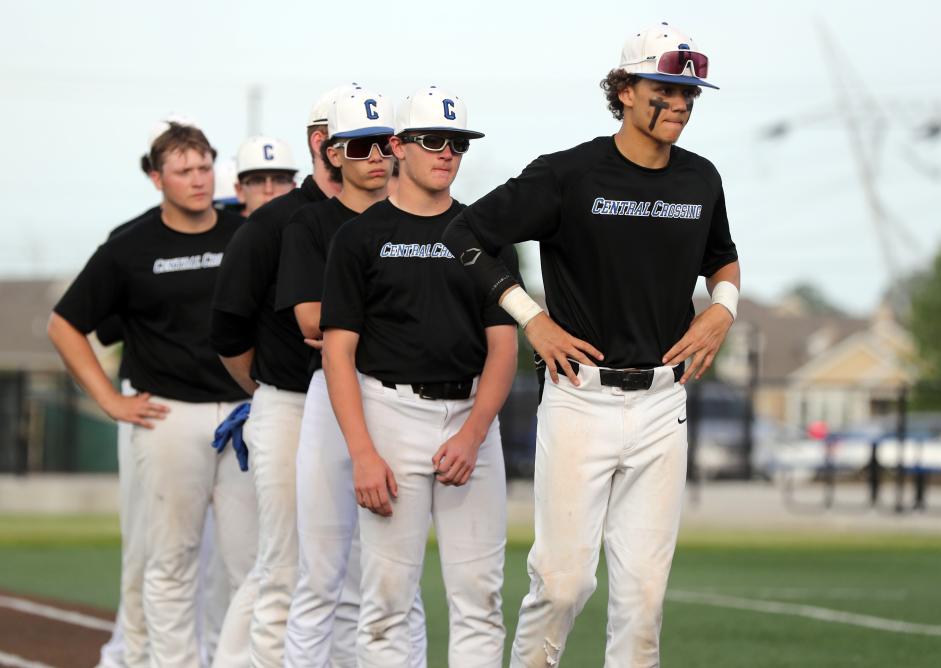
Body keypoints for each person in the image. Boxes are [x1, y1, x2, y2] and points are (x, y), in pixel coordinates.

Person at [442, 23, 741, 667]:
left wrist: (723, 309)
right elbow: (463, 234)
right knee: (563, 583)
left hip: (665, 404)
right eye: (667, 88)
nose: (682, 103)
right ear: (626, 90)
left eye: (691, 92)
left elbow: (723, 259)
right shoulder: (567, 174)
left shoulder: (701, 178)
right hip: (581, 398)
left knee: (644, 599)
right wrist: (530, 317)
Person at [321, 85, 519, 668]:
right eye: (433, 140)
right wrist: (361, 452)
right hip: (389, 414)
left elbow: (504, 345)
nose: (447, 153)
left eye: (457, 143)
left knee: (481, 599)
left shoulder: (483, 233)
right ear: (397, 147)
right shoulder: (358, 237)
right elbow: (338, 353)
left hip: (471, 420)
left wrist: (474, 431)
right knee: (384, 605)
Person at [48, 122, 258, 668]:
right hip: (167, 418)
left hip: (244, 418)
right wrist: (109, 401)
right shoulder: (128, 248)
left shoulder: (246, 234)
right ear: (155, 177)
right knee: (171, 563)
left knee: (253, 564)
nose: (196, 179)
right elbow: (65, 325)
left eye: (204, 166)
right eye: (183, 170)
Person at [276, 87, 428, 667]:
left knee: (397, 577)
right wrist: (391, 321)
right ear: (332, 152)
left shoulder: (425, 215)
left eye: (381, 144)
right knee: (320, 572)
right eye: (359, 146)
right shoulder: (311, 224)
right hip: (331, 392)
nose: (375, 158)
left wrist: (363, 321)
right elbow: (312, 320)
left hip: (402, 399)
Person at [210, 85, 350, 667]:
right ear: (323, 143)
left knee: (354, 571)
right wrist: (266, 392)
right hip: (292, 404)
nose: (376, 153)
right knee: (284, 565)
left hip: (370, 408)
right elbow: (228, 332)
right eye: (357, 141)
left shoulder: (390, 212)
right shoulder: (272, 224)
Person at [233, 136, 298, 218]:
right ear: (240, 191)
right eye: (257, 181)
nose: (269, 190)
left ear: (293, 188)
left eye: (280, 180)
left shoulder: (310, 229)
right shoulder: (228, 230)